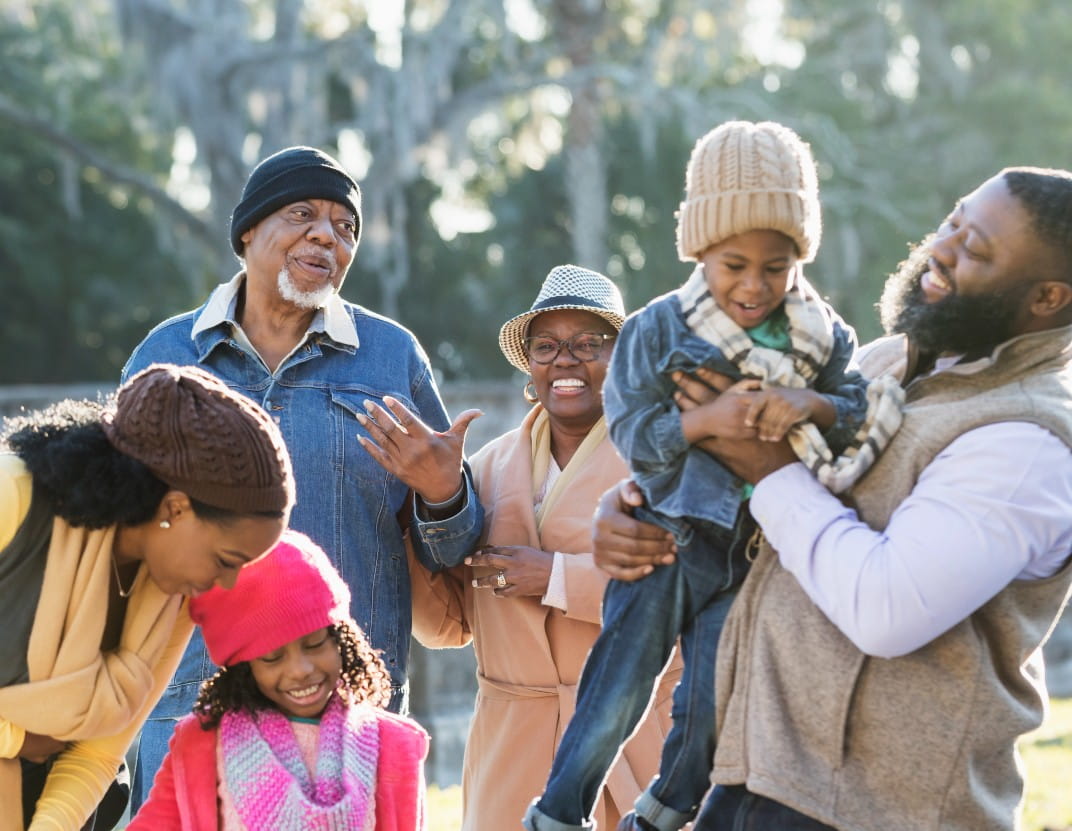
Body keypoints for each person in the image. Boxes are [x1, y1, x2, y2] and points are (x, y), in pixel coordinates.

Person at [593, 166, 1072, 831]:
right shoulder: (877, 367)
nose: (943, 248)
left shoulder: (1025, 443)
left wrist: (768, 467)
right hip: (752, 777)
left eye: (977, 249)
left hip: (880, 811)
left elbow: (887, 607)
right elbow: (752, 510)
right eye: (954, 221)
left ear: (1047, 297)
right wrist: (634, 507)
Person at [525, 122, 902, 831]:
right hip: (668, 535)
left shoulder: (823, 335)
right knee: (618, 687)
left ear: (800, 257)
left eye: (777, 265)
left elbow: (854, 409)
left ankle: (664, 812)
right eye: (734, 265)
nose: (755, 286)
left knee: (711, 699)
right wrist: (707, 420)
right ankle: (556, 813)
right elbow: (632, 431)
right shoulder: (657, 330)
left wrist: (810, 402)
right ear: (699, 250)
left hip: (758, 548)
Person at [122, 145, 483, 809]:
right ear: (249, 231)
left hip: (341, 712)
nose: (328, 234)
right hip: (186, 699)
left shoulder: (390, 359)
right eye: (302, 213)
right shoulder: (166, 356)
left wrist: (443, 494)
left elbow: (450, 554)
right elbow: (117, 533)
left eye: (346, 227)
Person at [407, 266, 683, 831]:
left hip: (629, 743)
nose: (565, 360)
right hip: (512, 750)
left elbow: (681, 593)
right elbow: (447, 627)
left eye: (589, 344)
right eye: (547, 346)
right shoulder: (482, 470)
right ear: (529, 365)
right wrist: (429, 504)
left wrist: (556, 577)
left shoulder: (664, 462)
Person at [0, 363, 294, 831]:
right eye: (226, 558)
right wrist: (16, 737)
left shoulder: (172, 599)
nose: (228, 584)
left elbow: (100, 752)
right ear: (175, 507)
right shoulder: (11, 497)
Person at [128, 529, 429, 830]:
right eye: (272, 657)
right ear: (243, 668)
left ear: (342, 640)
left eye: (315, 644)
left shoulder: (394, 744)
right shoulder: (202, 744)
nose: (300, 669)